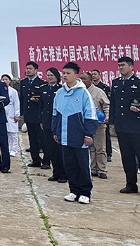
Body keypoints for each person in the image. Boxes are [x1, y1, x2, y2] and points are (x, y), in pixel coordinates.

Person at [52, 62, 98, 204]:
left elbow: (90, 114)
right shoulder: (60, 93)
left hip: (79, 136)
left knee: (82, 165)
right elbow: (55, 113)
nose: (65, 76)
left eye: (68, 73)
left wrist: (88, 134)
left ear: (76, 75)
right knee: (69, 165)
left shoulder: (83, 93)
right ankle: (74, 190)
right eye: (63, 73)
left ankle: (85, 192)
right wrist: (55, 131)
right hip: (64, 136)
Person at [110, 56, 140, 197]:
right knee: (127, 157)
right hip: (122, 125)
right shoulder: (116, 83)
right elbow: (114, 104)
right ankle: (131, 184)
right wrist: (113, 122)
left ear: (131, 67)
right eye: (119, 65)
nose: (121, 68)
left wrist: (139, 110)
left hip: (136, 126)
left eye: (123, 65)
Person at [82, 71, 110, 179]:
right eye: (81, 79)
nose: (83, 81)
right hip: (85, 123)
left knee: (100, 148)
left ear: (91, 80)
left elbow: (106, 105)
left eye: (85, 79)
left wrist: (107, 116)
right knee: (91, 147)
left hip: (98, 123)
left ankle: (102, 169)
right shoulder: (80, 91)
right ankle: (93, 168)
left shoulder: (98, 91)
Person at [40, 68, 66, 183]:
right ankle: (56, 173)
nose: (50, 77)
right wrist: (41, 120)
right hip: (47, 122)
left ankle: (63, 174)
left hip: (57, 122)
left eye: (52, 75)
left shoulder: (61, 89)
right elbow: (41, 106)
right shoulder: (44, 89)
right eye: (48, 75)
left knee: (60, 150)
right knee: (52, 150)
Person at [19, 61, 48, 168]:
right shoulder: (24, 82)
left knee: (43, 139)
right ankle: (35, 160)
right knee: (32, 139)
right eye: (27, 68)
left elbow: (44, 100)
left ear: (36, 70)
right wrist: (22, 113)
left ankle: (46, 161)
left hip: (38, 115)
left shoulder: (41, 83)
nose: (28, 70)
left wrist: (37, 101)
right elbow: (22, 99)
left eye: (30, 69)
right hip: (28, 114)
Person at [90, 69, 113, 163]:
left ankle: (109, 153)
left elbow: (107, 102)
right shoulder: (88, 88)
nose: (93, 76)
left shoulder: (104, 88)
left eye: (95, 74)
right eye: (92, 74)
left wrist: (107, 115)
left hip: (101, 118)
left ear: (99, 75)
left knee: (105, 137)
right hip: (92, 118)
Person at [1, 75, 21, 157]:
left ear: (9, 81)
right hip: (3, 114)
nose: (4, 81)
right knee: (6, 134)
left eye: (6, 79)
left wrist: (16, 114)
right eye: (3, 79)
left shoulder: (13, 91)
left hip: (12, 114)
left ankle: (14, 149)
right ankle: (8, 149)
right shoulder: (0, 90)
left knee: (13, 134)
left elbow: (16, 103)